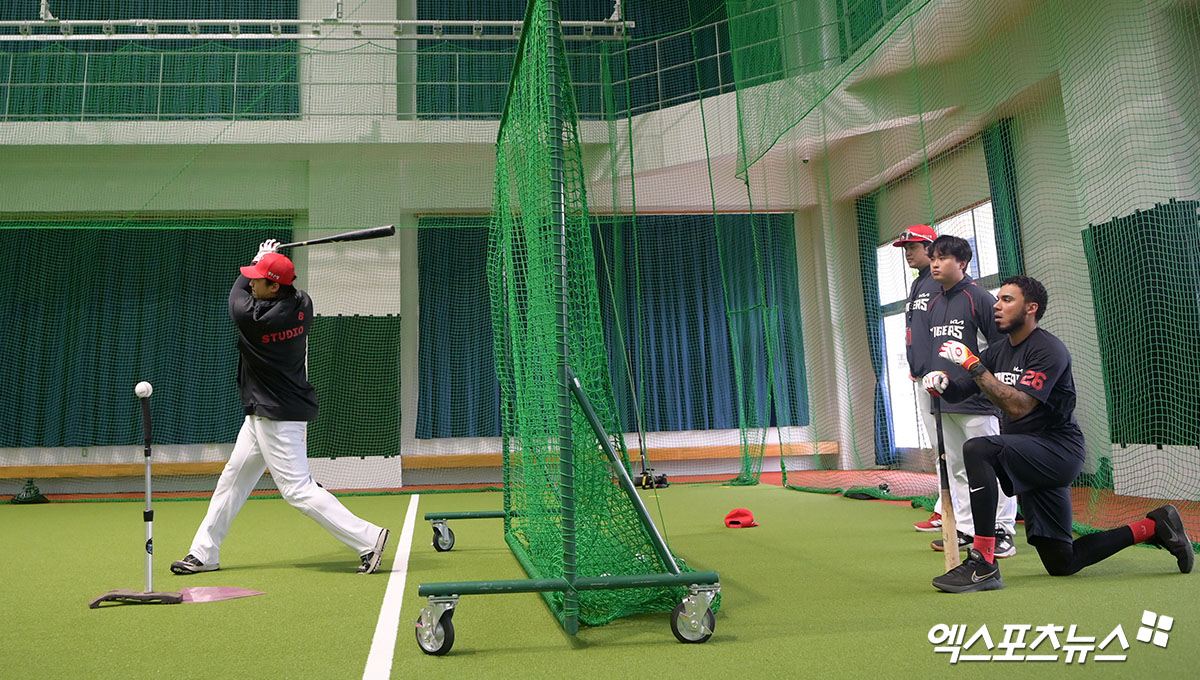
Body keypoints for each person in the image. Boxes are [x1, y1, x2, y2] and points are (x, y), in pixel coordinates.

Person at [923, 275, 1193, 592]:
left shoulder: (1048, 350)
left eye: (1007, 300)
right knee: (1062, 562)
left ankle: (983, 562)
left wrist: (972, 364)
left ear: (1031, 308)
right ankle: (1155, 525)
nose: (997, 306)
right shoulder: (997, 352)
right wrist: (942, 383)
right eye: (997, 299)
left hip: (1057, 450)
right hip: (1029, 454)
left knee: (977, 449)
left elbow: (1020, 407)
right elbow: (962, 391)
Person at [172, 240, 390, 576]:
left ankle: (369, 539)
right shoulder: (303, 304)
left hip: (278, 416)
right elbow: (269, 287)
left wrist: (262, 255)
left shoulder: (255, 318)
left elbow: (235, 294)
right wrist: (270, 262)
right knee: (233, 480)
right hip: (265, 413)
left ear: (275, 287)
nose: (252, 282)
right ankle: (204, 553)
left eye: (259, 278)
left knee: (297, 491)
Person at [924, 235, 1019, 558]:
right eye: (933, 258)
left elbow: (1001, 349)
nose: (935, 264)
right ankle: (966, 527)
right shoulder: (934, 303)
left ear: (962, 263)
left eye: (943, 258)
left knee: (993, 466)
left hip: (979, 402)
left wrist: (991, 387)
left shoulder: (980, 298)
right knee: (957, 466)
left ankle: (1002, 529)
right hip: (945, 399)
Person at [890, 225, 947, 533]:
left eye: (913, 246)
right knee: (941, 447)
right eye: (905, 248)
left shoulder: (940, 283)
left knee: (952, 448)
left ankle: (958, 512)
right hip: (923, 376)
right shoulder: (918, 284)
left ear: (930, 247)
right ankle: (947, 509)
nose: (908, 253)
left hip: (944, 378)